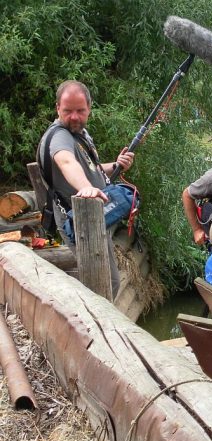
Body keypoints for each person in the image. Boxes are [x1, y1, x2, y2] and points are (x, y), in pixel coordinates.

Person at [37, 80, 134, 298]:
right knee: (104, 284)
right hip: (78, 223)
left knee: (110, 282)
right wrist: (87, 188)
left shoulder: (79, 133)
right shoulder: (59, 136)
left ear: (89, 108)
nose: (74, 117)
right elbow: (66, 162)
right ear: (57, 108)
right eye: (67, 111)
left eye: (80, 111)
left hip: (95, 216)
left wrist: (115, 165)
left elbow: (91, 169)